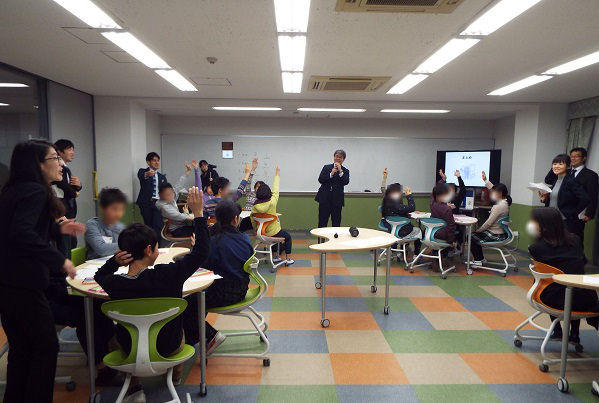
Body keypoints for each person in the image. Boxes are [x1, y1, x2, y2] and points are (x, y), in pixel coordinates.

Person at [94, 187, 208, 399]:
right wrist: (199, 214)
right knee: (180, 324)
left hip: (130, 349)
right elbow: (201, 253)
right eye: (156, 247)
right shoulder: (169, 275)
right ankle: (174, 376)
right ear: (148, 250)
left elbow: (99, 276)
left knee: (115, 335)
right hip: (168, 347)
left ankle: (134, 387)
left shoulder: (115, 283)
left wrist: (113, 262)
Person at [0, 140, 85, 403]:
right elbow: (21, 234)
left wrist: (57, 229)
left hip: (7, 283)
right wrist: (59, 261)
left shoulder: (14, 190)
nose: (60, 164)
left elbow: (19, 230)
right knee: (45, 348)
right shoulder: (36, 192)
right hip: (24, 284)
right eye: (54, 158)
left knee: (22, 350)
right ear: (37, 164)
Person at [527, 207, 599, 343]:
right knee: (572, 285)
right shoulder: (575, 240)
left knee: (550, 283)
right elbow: (582, 263)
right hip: (585, 299)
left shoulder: (536, 248)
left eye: (534, 221)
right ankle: (575, 334)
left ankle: (558, 331)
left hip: (553, 299)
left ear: (543, 224)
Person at [203, 200, 255, 354]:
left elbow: (203, 268)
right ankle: (199, 334)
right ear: (236, 219)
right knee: (196, 301)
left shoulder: (214, 242)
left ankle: (211, 335)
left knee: (188, 303)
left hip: (224, 294)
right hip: (242, 288)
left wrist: (198, 248)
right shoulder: (244, 238)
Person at [544, 147, 598, 243]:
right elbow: (548, 180)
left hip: (576, 213)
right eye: (571, 156)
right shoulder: (564, 173)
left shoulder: (590, 175)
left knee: (574, 239)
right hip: (556, 215)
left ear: (584, 158)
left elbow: (592, 195)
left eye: (576, 156)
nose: (573, 158)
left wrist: (589, 213)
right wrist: (556, 165)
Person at [252, 166, 295, 265]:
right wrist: (277, 175)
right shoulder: (272, 202)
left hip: (261, 234)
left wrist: (255, 230)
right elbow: (276, 189)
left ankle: (275, 256)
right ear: (269, 193)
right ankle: (288, 259)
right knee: (287, 237)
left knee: (274, 235)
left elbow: (252, 220)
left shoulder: (254, 206)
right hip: (273, 233)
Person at [539, 154, 589, 237]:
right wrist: (545, 199)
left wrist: (573, 213)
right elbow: (558, 199)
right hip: (551, 220)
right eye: (554, 164)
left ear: (568, 166)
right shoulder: (555, 181)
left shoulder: (571, 181)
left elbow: (585, 199)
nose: (556, 166)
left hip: (565, 222)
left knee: (564, 244)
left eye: (560, 164)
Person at [469, 173, 512, 265]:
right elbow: (493, 188)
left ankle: (478, 260)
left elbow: (488, 223)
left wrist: (479, 230)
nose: (491, 194)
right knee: (475, 236)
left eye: (493, 193)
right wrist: (485, 180)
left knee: (472, 237)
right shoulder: (505, 202)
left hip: (496, 234)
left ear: (500, 194)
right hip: (501, 232)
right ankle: (480, 259)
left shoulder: (498, 206)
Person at [85, 187, 127, 259]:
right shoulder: (92, 225)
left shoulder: (121, 226)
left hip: (116, 262)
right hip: (95, 263)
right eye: (114, 209)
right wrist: (129, 245)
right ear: (102, 208)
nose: (118, 214)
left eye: (121, 209)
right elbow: (101, 249)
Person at [381, 182, 422, 255]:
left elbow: (397, 213)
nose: (401, 194)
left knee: (408, 227)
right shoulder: (396, 205)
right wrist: (409, 195)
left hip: (392, 230)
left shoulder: (386, 202)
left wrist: (408, 213)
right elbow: (412, 207)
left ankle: (402, 250)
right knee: (419, 231)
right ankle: (416, 254)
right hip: (402, 232)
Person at [316, 149, 350, 227]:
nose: (338, 158)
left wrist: (340, 171)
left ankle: (335, 235)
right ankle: (321, 235)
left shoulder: (345, 171)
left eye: (340, 157)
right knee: (322, 221)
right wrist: (331, 174)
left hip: (337, 201)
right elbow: (320, 179)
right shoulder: (326, 167)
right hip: (325, 199)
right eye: (336, 156)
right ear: (334, 157)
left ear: (343, 159)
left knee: (336, 222)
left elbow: (346, 182)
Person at [136, 152, 167, 237]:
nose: (157, 162)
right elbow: (142, 176)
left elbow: (165, 191)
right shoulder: (142, 171)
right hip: (146, 203)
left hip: (158, 203)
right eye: (154, 160)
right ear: (148, 162)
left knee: (158, 225)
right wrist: (147, 174)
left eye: (158, 160)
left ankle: (157, 244)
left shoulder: (162, 177)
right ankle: (149, 244)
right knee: (148, 226)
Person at [52, 139, 81, 220]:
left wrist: (79, 186)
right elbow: (62, 184)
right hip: (62, 209)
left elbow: (70, 184)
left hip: (67, 208)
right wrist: (74, 193)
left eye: (73, 150)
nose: (72, 152)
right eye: (69, 149)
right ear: (59, 152)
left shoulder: (65, 168)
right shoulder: (58, 167)